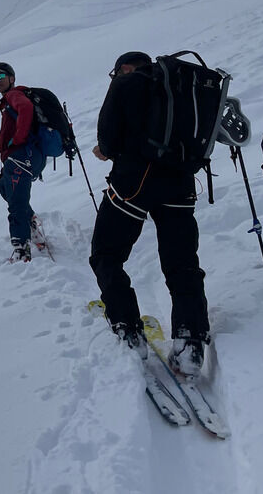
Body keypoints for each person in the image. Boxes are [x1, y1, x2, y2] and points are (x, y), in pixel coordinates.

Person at [90, 51, 211, 375]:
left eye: (116, 72)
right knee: (182, 262)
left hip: (134, 184)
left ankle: (129, 331)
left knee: (107, 255)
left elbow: (109, 139)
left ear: (125, 68)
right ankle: (190, 342)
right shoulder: (180, 87)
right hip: (181, 184)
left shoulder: (126, 85)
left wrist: (106, 150)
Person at [0, 62, 46, 262]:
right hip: (19, 158)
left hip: (22, 155)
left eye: (0, 76)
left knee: (17, 204)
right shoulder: (7, 100)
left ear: (11, 78)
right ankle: (31, 225)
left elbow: (26, 108)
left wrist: (19, 139)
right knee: (4, 186)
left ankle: (21, 249)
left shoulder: (14, 95)